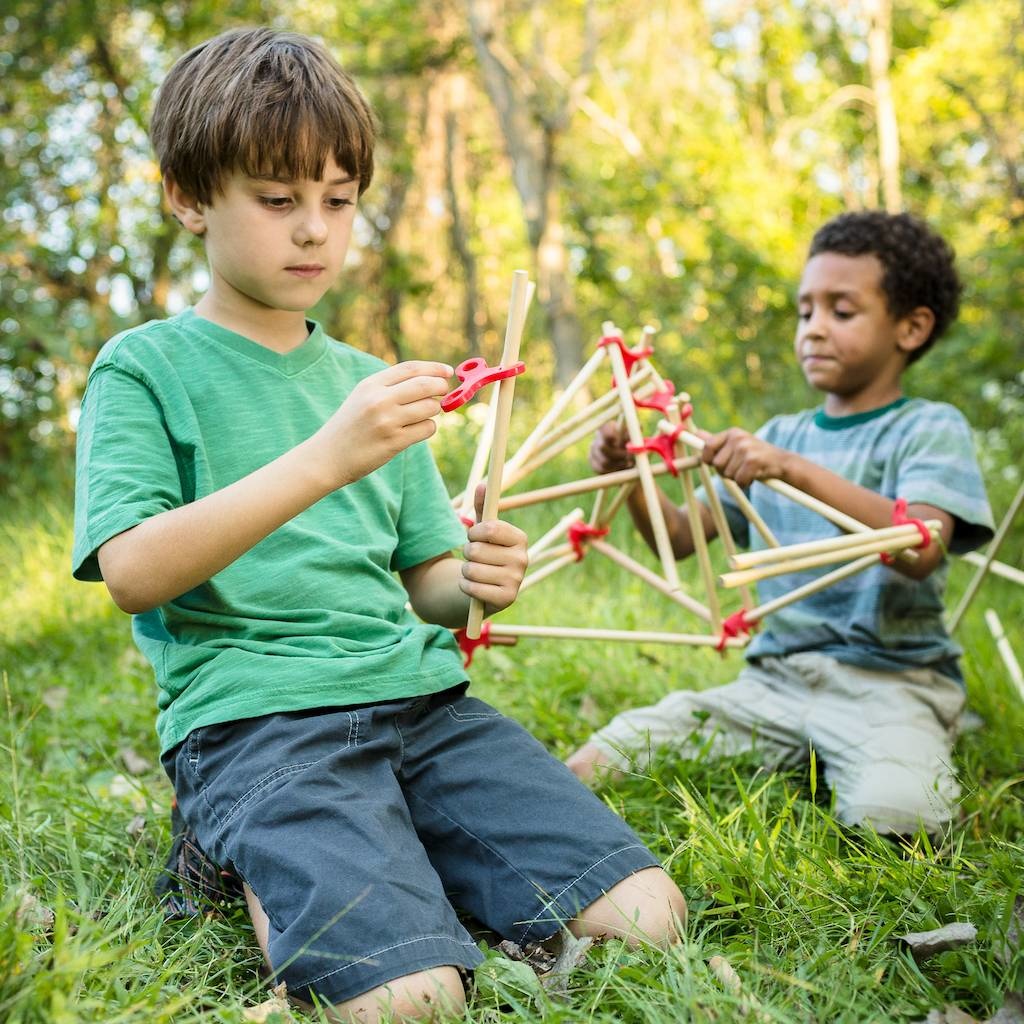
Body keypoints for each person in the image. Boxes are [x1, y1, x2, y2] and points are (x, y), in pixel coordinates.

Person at [72, 27, 685, 1022]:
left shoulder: (369, 386)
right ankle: (246, 849)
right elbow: (135, 570)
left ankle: (386, 848)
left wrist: (477, 574)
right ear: (188, 196)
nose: (314, 230)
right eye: (277, 201)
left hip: (421, 706)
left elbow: (425, 584)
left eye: (338, 200)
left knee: (650, 913)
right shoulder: (145, 368)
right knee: (411, 1000)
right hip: (259, 723)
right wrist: (326, 457)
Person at [568, 210, 994, 837]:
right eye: (805, 311)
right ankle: (800, 749)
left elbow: (921, 546)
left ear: (911, 327)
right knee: (605, 756)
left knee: (897, 815)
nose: (814, 330)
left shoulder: (928, 428)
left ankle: (923, 733)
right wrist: (629, 473)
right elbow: (681, 537)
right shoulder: (779, 437)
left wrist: (794, 471)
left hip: (890, 685)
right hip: (773, 682)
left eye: (841, 312)